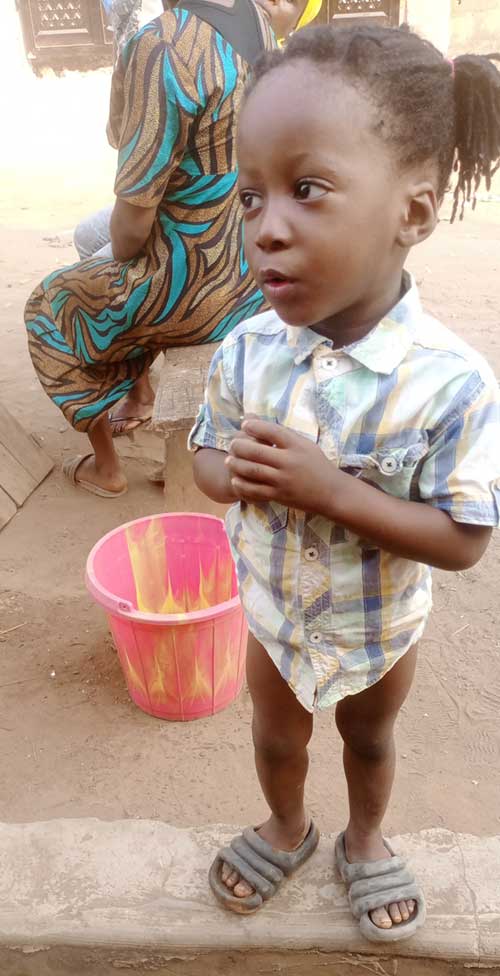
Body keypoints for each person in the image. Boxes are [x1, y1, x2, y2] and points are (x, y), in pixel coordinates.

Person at [189, 25, 500, 942]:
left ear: (412, 212)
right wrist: (228, 475)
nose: (267, 225)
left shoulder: (452, 383)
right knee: (277, 737)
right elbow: (208, 456)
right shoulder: (248, 350)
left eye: (307, 188)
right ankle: (288, 826)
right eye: (251, 198)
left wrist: (331, 493)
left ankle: (365, 838)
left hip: (377, 626)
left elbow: (464, 539)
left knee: (368, 738)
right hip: (276, 614)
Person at [75, 0, 322, 436]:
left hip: (203, 280)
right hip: (245, 246)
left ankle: (108, 460)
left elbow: (133, 223)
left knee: (66, 302)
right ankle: (139, 389)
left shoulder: (161, 43)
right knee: (87, 235)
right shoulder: (258, 24)